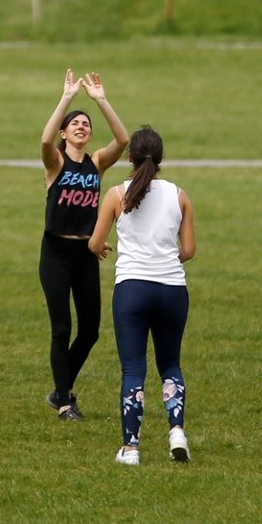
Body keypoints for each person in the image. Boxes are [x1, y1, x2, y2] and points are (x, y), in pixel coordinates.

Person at [89, 125, 196, 466]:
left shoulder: (117, 195)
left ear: (129, 157)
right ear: (161, 158)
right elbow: (189, 250)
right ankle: (176, 431)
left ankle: (131, 447)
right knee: (170, 364)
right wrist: (165, 258)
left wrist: (104, 247)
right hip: (172, 289)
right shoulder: (179, 195)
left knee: (133, 369)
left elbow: (94, 242)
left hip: (132, 289)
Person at [40, 69, 129, 421]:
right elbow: (45, 142)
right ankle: (64, 402)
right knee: (62, 327)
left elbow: (122, 140)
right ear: (65, 132)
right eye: (74, 123)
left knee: (90, 330)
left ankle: (61, 389)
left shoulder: (96, 164)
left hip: (86, 254)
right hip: (56, 253)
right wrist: (66, 99)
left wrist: (101, 101)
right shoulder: (55, 162)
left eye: (86, 124)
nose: (81, 126)